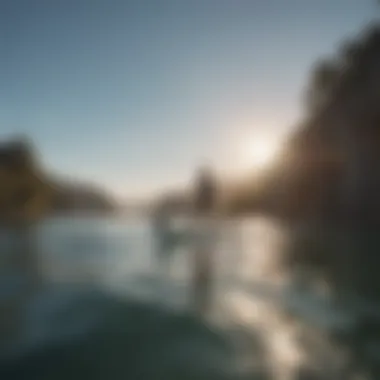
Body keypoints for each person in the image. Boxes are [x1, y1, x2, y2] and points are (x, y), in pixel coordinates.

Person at [191, 165, 218, 314]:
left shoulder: (206, 187)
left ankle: (201, 298)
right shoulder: (207, 187)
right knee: (203, 259)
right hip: (204, 221)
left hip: (205, 221)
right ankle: (201, 298)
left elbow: (202, 204)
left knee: (203, 258)